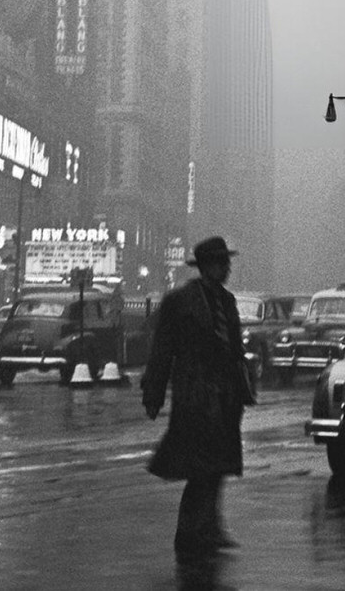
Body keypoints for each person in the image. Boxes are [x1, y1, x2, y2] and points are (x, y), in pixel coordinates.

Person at [141, 236, 256, 561]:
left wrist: (242, 384)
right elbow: (163, 348)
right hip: (195, 393)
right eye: (223, 262)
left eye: (227, 262)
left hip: (224, 398)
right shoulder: (181, 301)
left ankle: (208, 527)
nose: (228, 267)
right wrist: (154, 390)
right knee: (200, 467)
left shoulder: (227, 300)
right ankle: (190, 532)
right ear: (208, 266)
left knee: (218, 465)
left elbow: (235, 348)